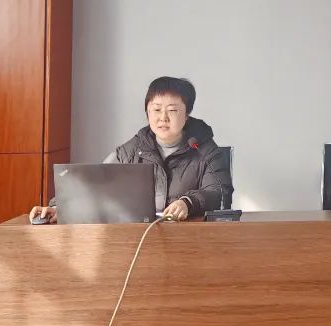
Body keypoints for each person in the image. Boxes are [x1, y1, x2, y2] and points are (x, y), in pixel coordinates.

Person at [29, 76, 232, 223]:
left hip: (189, 240)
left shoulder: (204, 149)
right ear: (147, 113)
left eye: (172, 110)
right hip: (137, 240)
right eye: (156, 109)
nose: (163, 117)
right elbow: (93, 183)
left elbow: (220, 192)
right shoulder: (132, 150)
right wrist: (60, 207)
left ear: (186, 115)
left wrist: (188, 203)